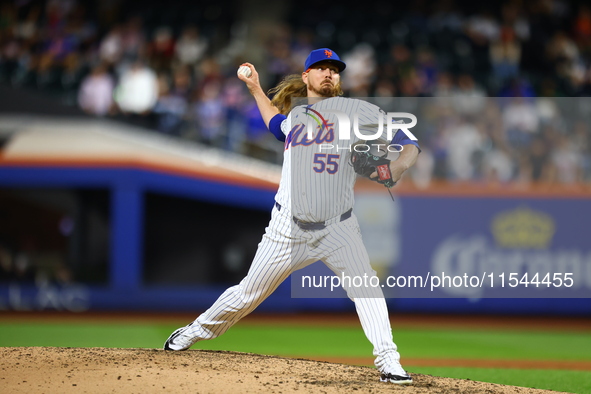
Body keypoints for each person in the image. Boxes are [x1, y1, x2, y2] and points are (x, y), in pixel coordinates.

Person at [164, 48, 420, 385]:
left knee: (366, 287)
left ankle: (389, 362)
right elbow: (274, 124)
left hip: (338, 228)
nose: (328, 73)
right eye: (320, 68)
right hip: (287, 229)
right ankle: (194, 331)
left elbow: (409, 141)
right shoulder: (298, 116)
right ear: (306, 76)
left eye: (334, 69)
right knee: (246, 295)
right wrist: (255, 87)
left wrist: (397, 167)